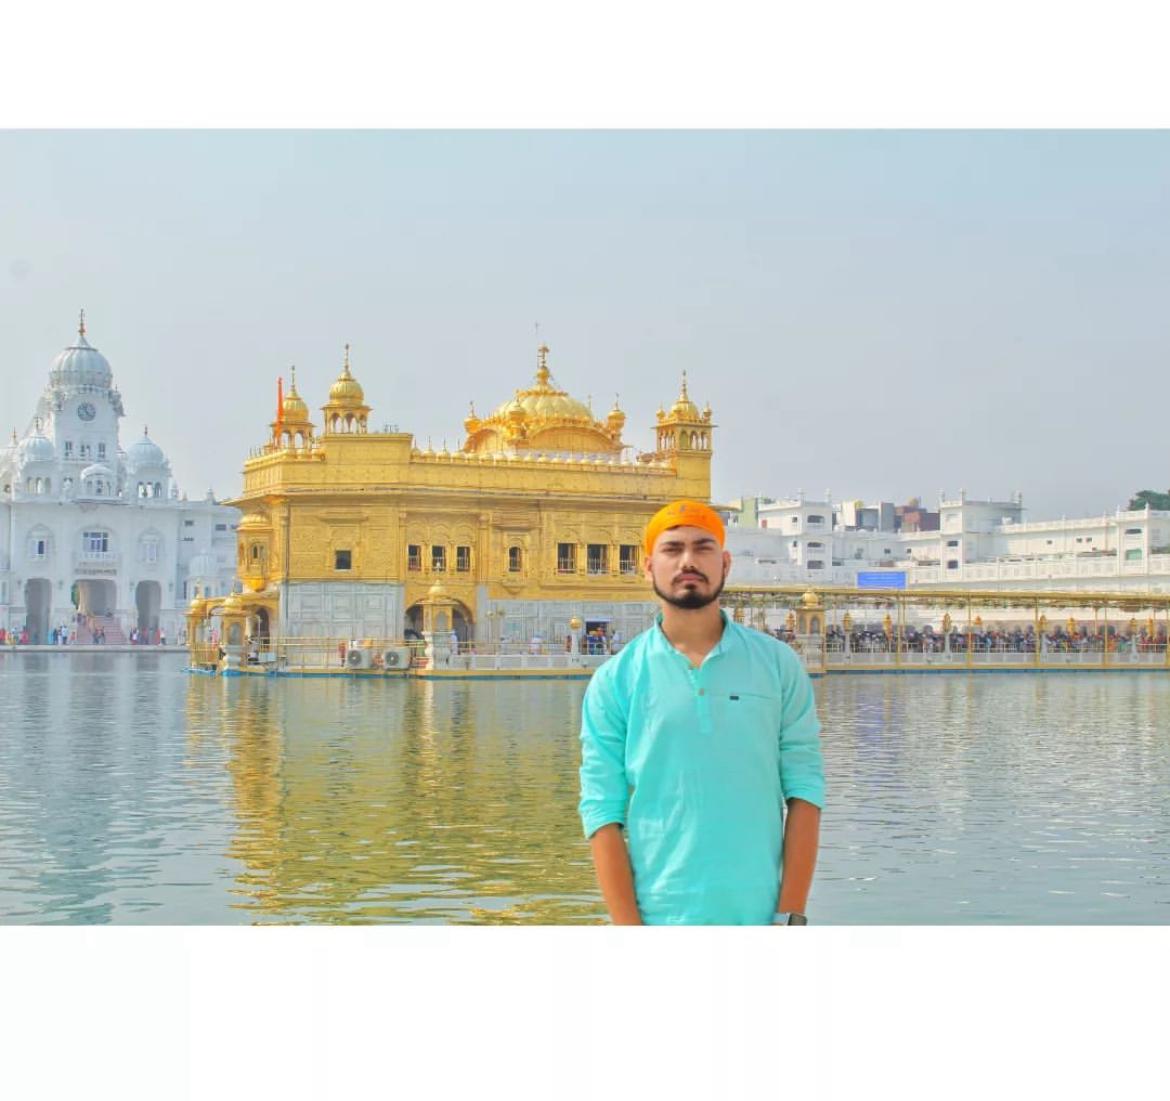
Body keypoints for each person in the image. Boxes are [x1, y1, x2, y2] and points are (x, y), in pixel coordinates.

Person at [578, 499, 825, 926]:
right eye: (673, 549)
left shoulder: (777, 665)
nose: (688, 561)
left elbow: (804, 790)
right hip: (658, 917)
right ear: (648, 566)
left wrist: (789, 916)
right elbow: (602, 811)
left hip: (761, 916)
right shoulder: (616, 680)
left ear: (725, 563)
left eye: (703, 548)